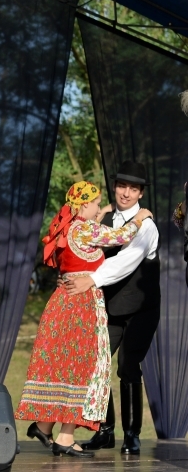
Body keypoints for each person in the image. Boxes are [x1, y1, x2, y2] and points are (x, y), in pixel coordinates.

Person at [16, 181, 152, 458]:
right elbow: (120, 236)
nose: (98, 207)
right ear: (84, 205)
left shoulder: (66, 226)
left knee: (67, 366)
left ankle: (45, 426)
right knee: (85, 367)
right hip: (82, 304)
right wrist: (140, 218)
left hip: (62, 302)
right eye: (95, 202)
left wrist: (98, 213)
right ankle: (63, 437)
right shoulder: (86, 229)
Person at [65, 162, 160, 455]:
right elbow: (83, 250)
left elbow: (125, 261)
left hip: (141, 309)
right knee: (97, 366)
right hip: (111, 306)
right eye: (122, 187)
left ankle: (132, 434)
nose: (126, 193)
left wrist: (90, 280)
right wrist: (70, 275)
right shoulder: (104, 223)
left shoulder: (146, 225)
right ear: (115, 187)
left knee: (128, 367)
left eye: (133, 189)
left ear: (140, 192)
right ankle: (104, 431)